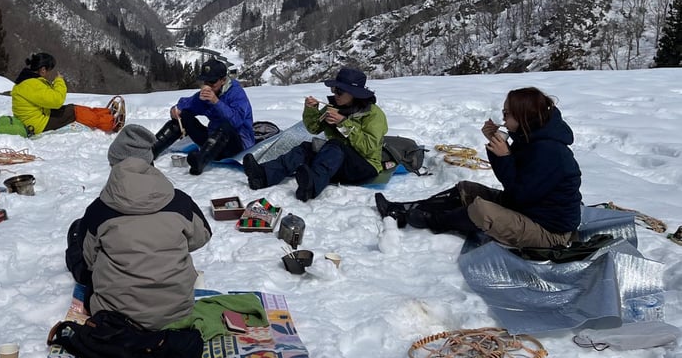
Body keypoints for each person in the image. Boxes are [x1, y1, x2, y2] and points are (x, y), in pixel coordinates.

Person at [375, 87, 582, 249]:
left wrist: (505, 156)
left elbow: (519, 193)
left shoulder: (550, 152)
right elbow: (517, 183)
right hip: (529, 210)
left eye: (507, 113)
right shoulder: (532, 137)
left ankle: (432, 221)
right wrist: (497, 146)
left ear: (524, 117)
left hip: (549, 231)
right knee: (466, 188)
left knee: (482, 211)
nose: (503, 119)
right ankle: (405, 209)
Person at [65, 125, 212, 330]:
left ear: (114, 165)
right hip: (177, 312)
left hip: (116, 316)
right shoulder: (179, 201)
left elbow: (90, 260)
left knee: (78, 237)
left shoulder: (99, 210)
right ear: (150, 162)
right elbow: (201, 236)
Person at [243, 67, 387, 201]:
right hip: (336, 161)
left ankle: (311, 186)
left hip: (364, 166)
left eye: (339, 91)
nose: (335, 94)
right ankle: (263, 175)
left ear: (354, 93)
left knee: (334, 145)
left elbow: (369, 148)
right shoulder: (335, 107)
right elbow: (314, 128)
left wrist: (343, 123)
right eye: (334, 89)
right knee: (306, 148)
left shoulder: (373, 114)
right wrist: (311, 110)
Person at [151, 58, 254, 175]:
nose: (208, 85)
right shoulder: (208, 93)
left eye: (212, 82)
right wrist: (175, 110)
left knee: (226, 125)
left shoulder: (236, 93)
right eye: (206, 82)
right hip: (212, 141)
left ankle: (200, 160)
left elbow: (236, 121)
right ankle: (151, 150)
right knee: (184, 115)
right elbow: (187, 104)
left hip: (237, 143)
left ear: (223, 80)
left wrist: (216, 102)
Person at [8, 52, 123, 134]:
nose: (49, 73)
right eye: (49, 70)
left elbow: (46, 97)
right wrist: (59, 81)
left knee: (73, 109)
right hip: (37, 125)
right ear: (43, 70)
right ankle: (110, 123)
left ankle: (107, 113)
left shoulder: (28, 82)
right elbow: (57, 100)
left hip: (36, 119)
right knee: (74, 111)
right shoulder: (31, 84)